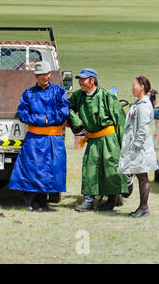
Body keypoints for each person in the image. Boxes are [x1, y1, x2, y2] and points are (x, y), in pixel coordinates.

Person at [8, 62, 69, 212]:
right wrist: (40, 120)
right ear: (36, 75)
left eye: (48, 73)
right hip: (34, 137)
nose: (46, 77)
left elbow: (64, 111)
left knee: (51, 169)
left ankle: (43, 200)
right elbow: (22, 113)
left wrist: (48, 118)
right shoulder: (28, 93)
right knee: (32, 168)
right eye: (42, 74)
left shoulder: (59, 92)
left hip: (52, 138)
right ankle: (29, 198)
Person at [68, 68, 128, 212]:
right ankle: (88, 201)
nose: (80, 82)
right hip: (93, 138)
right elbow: (66, 108)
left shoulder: (106, 96)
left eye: (83, 79)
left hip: (109, 138)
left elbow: (119, 120)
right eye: (79, 79)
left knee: (111, 168)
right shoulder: (78, 96)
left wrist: (123, 144)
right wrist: (77, 126)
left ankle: (112, 201)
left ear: (92, 80)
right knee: (90, 168)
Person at [117, 76, 158, 217]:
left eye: (134, 85)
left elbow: (143, 129)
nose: (132, 87)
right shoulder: (138, 104)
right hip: (138, 148)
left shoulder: (144, 106)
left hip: (140, 150)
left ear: (142, 87)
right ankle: (142, 206)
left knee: (143, 178)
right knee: (141, 177)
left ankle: (144, 207)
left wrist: (136, 146)